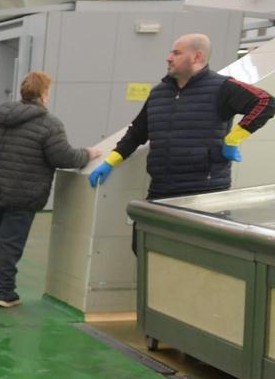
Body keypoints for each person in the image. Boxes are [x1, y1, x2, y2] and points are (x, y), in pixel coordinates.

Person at [87, 33, 274, 251]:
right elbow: (137, 133)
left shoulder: (222, 88)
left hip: (203, 194)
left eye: (176, 53)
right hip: (161, 188)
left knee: (193, 257)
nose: (168, 57)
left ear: (197, 57)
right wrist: (110, 161)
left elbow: (265, 102)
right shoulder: (159, 93)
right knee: (143, 247)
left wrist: (234, 139)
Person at [0, 71, 100, 307]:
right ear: (44, 95)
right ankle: (6, 294)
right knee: (9, 242)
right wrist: (88, 154)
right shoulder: (49, 124)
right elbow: (63, 157)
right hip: (22, 194)